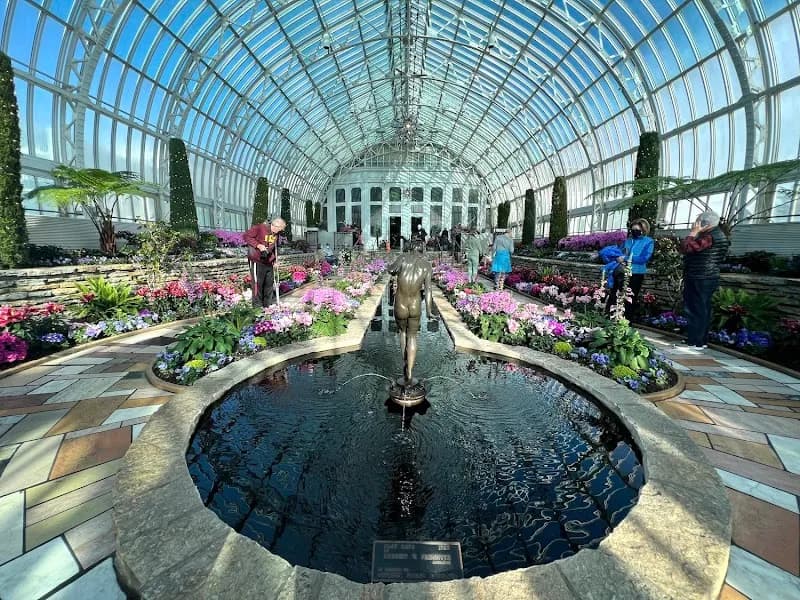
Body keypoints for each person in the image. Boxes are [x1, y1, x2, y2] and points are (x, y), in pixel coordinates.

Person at [681, 211, 730, 349]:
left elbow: (687, 247)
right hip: (704, 275)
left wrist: (692, 233)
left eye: (698, 222)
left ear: (706, 224)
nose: (695, 224)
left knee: (697, 308)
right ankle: (696, 339)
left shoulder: (710, 237)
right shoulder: (716, 234)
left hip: (701, 276)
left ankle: (696, 341)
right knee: (701, 308)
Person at [388, 246, 433, 386]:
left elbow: (390, 270)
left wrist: (393, 264)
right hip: (415, 305)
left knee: (402, 332)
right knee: (412, 336)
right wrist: (430, 311)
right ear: (422, 250)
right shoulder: (426, 265)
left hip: (401, 303)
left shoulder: (403, 258)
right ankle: (410, 372)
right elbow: (429, 290)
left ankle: (405, 364)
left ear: (411, 249)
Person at [604, 218, 654, 320]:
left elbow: (644, 258)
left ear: (644, 230)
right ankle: (610, 318)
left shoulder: (648, 241)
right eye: (633, 229)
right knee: (615, 294)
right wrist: (617, 257)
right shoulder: (627, 241)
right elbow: (619, 252)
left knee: (630, 298)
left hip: (636, 273)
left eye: (637, 230)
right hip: (621, 271)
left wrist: (626, 258)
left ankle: (626, 321)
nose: (634, 232)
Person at [243, 217, 286, 308]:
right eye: (281, 229)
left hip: (268, 262)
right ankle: (257, 308)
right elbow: (246, 236)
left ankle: (268, 306)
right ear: (276, 226)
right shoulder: (260, 228)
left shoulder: (275, 235)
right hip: (257, 261)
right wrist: (258, 245)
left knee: (269, 284)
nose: (281, 231)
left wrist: (274, 260)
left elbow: (275, 248)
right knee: (258, 285)